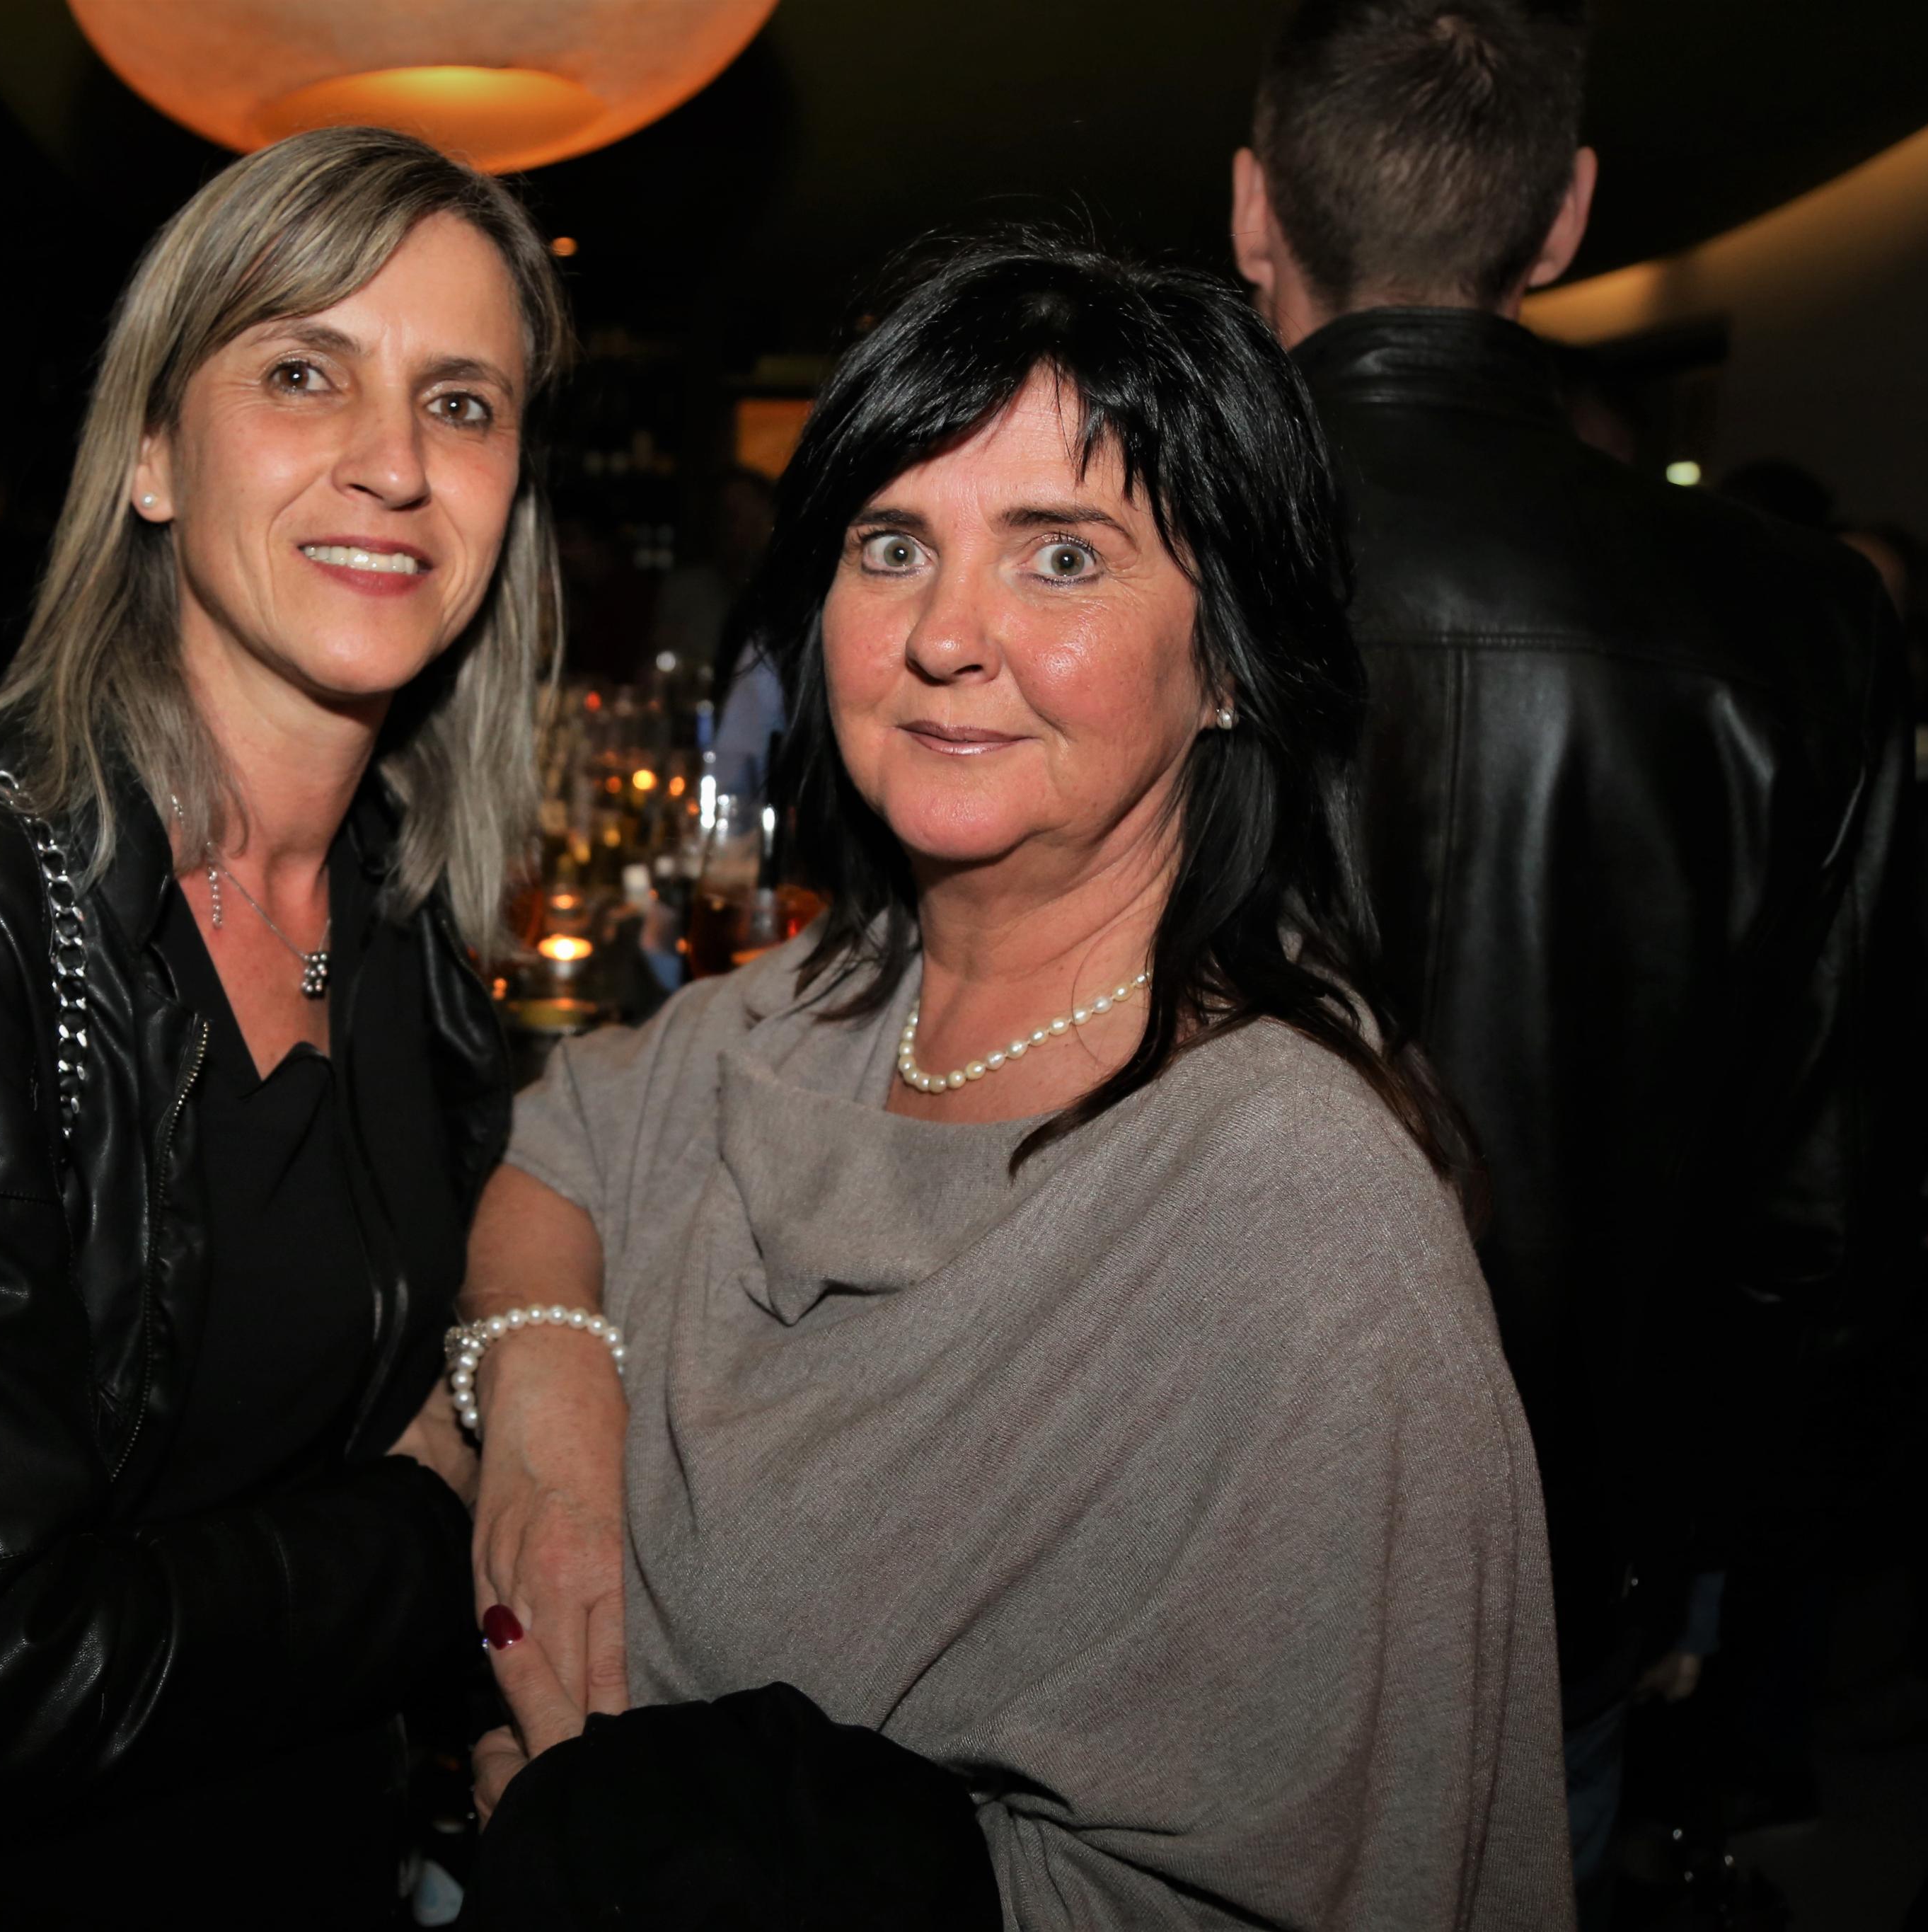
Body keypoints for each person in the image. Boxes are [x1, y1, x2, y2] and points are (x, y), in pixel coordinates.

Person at [461, 231, 1570, 1926]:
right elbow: (563, 1137)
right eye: (893, 545)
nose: (943, 634)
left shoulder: (1303, 1217)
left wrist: (614, 1844)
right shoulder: (811, 1012)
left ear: (1229, 661)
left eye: (1062, 557)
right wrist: (545, 1384)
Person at [0, 127, 565, 1924]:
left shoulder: (406, 920)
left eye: (461, 404)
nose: (392, 465)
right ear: (147, 456)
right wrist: (441, 1517)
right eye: (301, 375)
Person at [1228, 0, 1907, 1891]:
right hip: (1566, 1552)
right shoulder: (1800, 620)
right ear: (1566, 217)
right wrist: (1703, 1557)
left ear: (1253, 209)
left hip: (1170, 1516)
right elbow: (1819, 1206)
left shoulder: (1126, 550)